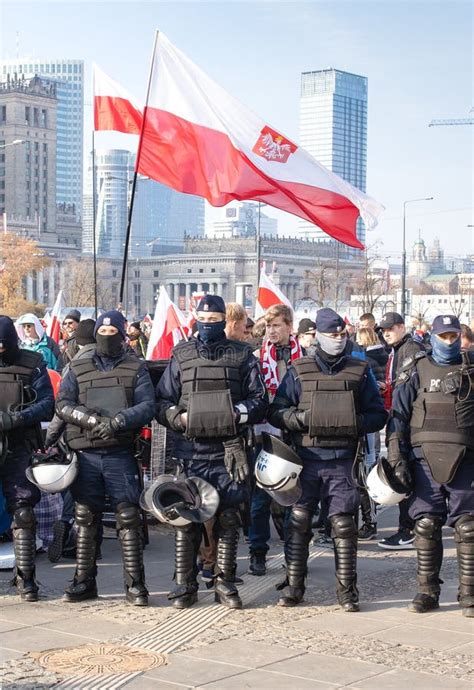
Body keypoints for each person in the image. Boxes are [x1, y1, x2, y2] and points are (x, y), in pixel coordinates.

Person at [267, 308, 387, 611]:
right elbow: (276, 411)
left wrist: (353, 421)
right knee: (299, 522)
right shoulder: (298, 370)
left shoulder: (358, 371)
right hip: (305, 458)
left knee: (344, 524)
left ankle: (347, 591)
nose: (338, 339)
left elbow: (378, 414)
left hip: (342, 459)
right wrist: (300, 418)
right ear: (318, 336)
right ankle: (294, 586)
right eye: (332, 334)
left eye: (342, 334)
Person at [156, 294, 268, 609]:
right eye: (202, 321)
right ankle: (184, 584)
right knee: (187, 518)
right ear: (196, 320)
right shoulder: (181, 355)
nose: (207, 326)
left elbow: (261, 401)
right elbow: (162, 401)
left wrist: (238, 413)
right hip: (190, 448)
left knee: (229, 518)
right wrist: (178, 417)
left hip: (228, 449)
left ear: (223, 321)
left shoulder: (243, 355)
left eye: (213, 321)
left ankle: (225, 582)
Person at [55, 310, 155, 606]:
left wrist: (118, 422)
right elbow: (64, 403)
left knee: (128, 517)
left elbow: (148, 404)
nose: (107, 338)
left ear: (123, 336)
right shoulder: (78, 366)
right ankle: (83, 581)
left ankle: (135, 584)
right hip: (86, 452)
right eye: (103, 333)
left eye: (113, 334)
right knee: (85, 517)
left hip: (119, 452)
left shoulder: (136, 367)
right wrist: (89, 419)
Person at [387, 315, 474, 616]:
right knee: (425, 524)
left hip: (465, 458)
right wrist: (396, 456)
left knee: (468, 526)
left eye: (453, 336)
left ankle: (469, 594)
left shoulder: (471, 369)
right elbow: (397, 415)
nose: (448, 342)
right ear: (433, 336)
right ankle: (427, 592)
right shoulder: (416, 369)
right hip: (423, 458)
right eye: (443, 336)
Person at [0, 316, 54, 600]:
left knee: (23, 510)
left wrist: (16, 418)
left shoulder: (32, 363)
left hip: (18, 443)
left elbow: (47, 404)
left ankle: (26, 578)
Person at [249, 304, 303, 575]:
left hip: (296, 432)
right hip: (265, 434)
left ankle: (294, 552)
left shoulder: (305, 356)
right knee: (260, 497)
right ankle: (258, 552)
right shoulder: (257, 356)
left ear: (289, 327)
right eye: (268, 326)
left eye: (277, 325)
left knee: (297, 498)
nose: (271, 331)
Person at [46, 319, 96, 563]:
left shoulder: (73, 367)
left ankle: (67, 529)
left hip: (74, 436)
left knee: (73, 488)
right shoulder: (114, 362)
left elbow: (61, 408)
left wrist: (50, 437)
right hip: (106, 437)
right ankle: (88, 542)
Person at [378, 311, 424, 550]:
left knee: (403, 472)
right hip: (400, 415)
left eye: (391, 328)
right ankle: (410, 527)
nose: (386, 333)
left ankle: (408, 529)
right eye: (384, 329)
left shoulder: (410, 349)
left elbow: (408, 389)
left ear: (402, 327)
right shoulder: (397, 349)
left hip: (406, 420)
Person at [355, 326, 389, 540]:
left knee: (366, 470)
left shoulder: (365, 359)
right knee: (364, 470)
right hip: (365, 422)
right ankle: (369, 520)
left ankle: (370, 520)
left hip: (367, 423)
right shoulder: (376, 356)